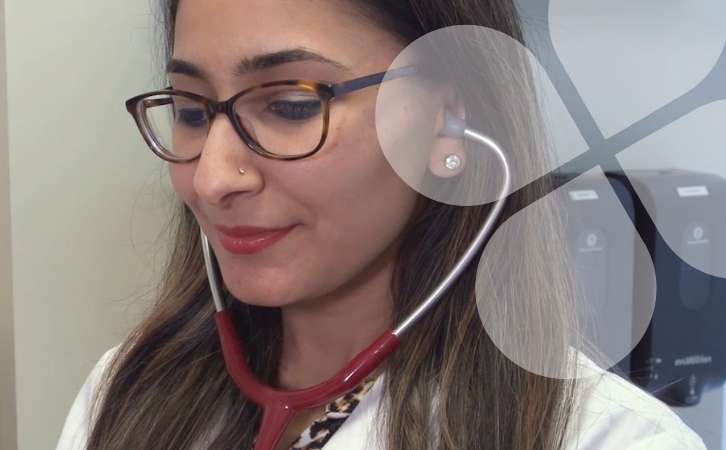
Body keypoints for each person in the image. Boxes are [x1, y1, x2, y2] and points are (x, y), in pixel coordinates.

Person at [55, 0, 706, 449]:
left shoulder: (610, 439)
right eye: (193, 111)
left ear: (449, 119)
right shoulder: (128, 393)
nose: (212, 178)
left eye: (288, 104)